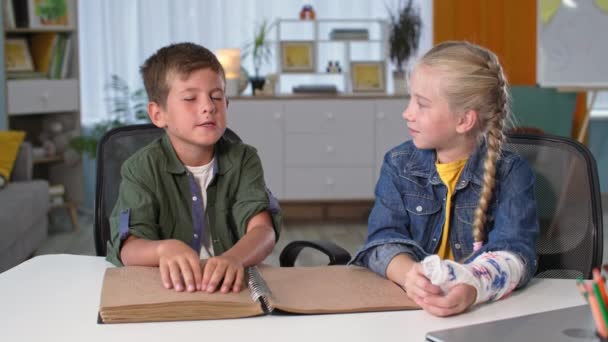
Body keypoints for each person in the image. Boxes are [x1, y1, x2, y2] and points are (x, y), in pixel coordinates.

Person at [350, 41, 539, 317]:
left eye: (421, 104)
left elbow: (515, 255)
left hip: (485, 316)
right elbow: (382, 240)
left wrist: (472, 286)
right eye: (410, 99)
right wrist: (408, 275)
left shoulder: (512, 173)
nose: (407, 112)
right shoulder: (398, 165)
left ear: (464, 120)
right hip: (409, 312)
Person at [106, 42, 281, 295]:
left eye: (217, 96)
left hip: (231, 291)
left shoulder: (244, 159)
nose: (208, 106)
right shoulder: (140, 168)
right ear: (158, 114)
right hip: (166, 291)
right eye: (190, 98)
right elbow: (128, 246)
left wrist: (235, 258)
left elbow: (263, 231)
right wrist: (163, 249)